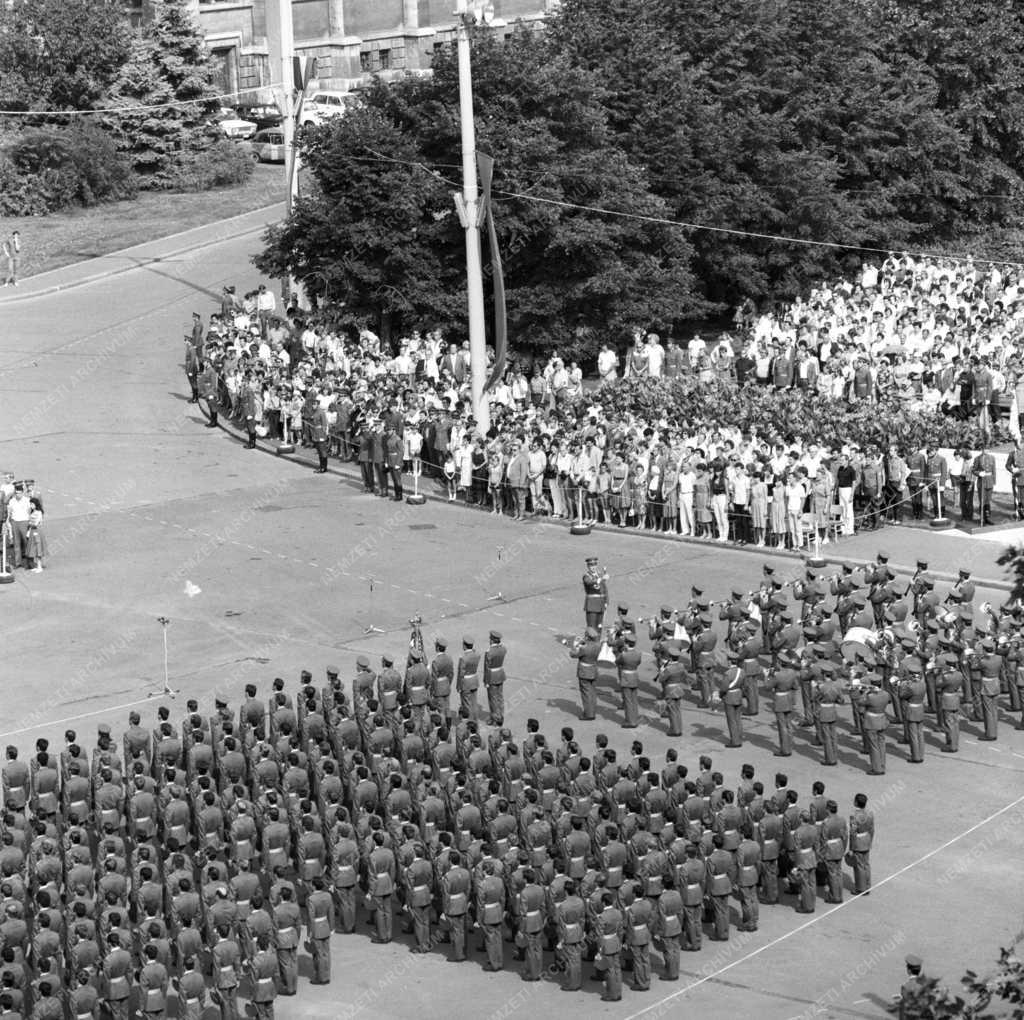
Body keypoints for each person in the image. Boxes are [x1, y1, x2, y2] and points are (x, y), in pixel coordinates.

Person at [848, 793, 873, 895]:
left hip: (858, 843)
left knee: (859, 866)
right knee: (866, 864)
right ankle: (867, 885)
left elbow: (853, 833)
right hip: (867, 840)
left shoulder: (854, 816)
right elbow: (872, 829)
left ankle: (861, 888)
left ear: (856, 802)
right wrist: (870, 841)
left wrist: (851, 848)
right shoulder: (870, 814)